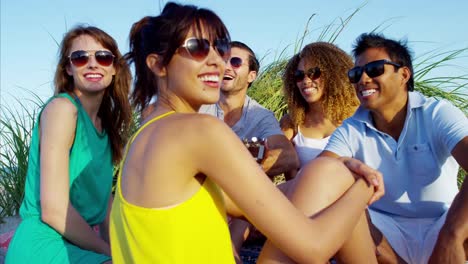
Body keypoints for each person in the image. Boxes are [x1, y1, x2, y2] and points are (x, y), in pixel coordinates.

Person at [109, 2, 384, 263]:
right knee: (335, 177)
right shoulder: (199, 130)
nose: (218, 61)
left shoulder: (145, 135)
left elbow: (254, 203)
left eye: (221, 48)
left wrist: (329, 178)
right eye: (197, 48)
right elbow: (312, 248)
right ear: (158, 64)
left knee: (329, 175)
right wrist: (363, 185)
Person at [320, 33, 468, 264]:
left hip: (443, 222)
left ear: (404, 74)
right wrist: (348, 163)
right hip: (382, 232)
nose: (363, 79)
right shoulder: (353, 127)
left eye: (375, 69)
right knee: (339, 211)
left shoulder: (436, 113)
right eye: (356, 74)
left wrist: (452, 236)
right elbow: (320, 173)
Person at [6, 25, 132, 263]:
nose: (93, 64)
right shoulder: (62, 110)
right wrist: (107, 253)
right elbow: (54, 210)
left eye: (103, 57)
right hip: (43, 245)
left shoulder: (106, 132)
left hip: (77, 245)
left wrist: (118, 250)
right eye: (80, 57)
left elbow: (105, 211)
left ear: (114, 68)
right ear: (69, 68)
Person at [200, 41, 299, 179]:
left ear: (251, 76)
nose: (226, 67)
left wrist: (226, 172)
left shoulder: (261, 116)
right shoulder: (197, 108)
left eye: (235, 62)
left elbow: (287, 156)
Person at [280, 42, 359, 175]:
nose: (305, 81)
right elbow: (289, 173)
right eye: (299, 75)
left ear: (334, 74)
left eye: (314, 73)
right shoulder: (291, 122)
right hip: (305, 193)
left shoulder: (359, 115)